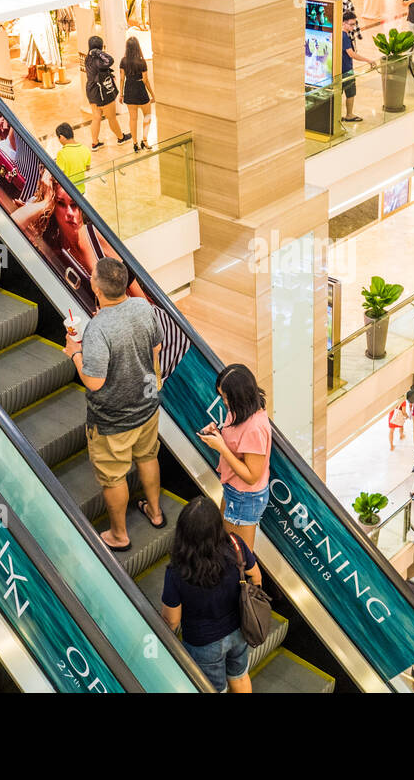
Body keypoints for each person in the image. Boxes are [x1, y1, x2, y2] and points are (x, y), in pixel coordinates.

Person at [64, 257, 164, 552]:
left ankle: (120, 535)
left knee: (114, 476)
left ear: (95, 286)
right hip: (147, 407)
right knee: (148, 457)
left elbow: (94, 382)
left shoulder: (97, 329)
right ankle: (156, 513)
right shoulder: (142, 307)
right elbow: (156, 347)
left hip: (112, 420)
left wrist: (74, 353)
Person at [160, 497, 263, 693]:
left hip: (203, 642)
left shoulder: (176, 571)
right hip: (239, 628)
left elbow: (172, 620)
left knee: (214, 689)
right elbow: (256, 576)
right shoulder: (236, 545)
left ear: (183, 532)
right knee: (240, 678)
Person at [197, 364, 271, 548]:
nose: (223, 401)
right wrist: (217, 434)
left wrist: (221, 447)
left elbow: (252, 476)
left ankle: (252, 579)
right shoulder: (237, 412)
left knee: (240, 556)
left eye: (225, 397)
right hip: (233, 489)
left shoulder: (255, 427)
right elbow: (237, 446)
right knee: (225, 541)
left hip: (245, 497)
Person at [83, 36, 131, 150]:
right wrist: (99, 52)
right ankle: (121, 138)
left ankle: (94, 143)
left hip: (91, 90)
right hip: (103, 91)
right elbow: (110, 60)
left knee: (96, 117)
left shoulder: (88, 58)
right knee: (111, 117)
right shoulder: (98, 60)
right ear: (99, 47)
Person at [119, 36, 155, 151]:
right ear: (137, 47)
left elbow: (121, 79)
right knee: (147, 116)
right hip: (140, 90)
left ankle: (135, 144)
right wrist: (152, 94)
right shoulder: (141, 62)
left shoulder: (123, 61)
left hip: (129, 89)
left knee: (133, 119)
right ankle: (144, 140)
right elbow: (145, 80)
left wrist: (121, 94)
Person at [340, 12, 376, 123]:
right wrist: (368, 60)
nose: (353, 27)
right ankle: (349, 115)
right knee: (350, 92)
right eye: (351, 24)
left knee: (339, 94)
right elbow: (351, 54)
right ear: (343, 23)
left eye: (354, 25)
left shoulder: (339, 34)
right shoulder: (344, 36)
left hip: (339, 69)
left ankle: (337, 116)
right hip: (346, 70)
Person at [52, 122, 90, 187]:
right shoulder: (85, 149)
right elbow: (87, 168)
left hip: (68, 191)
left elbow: (58, 176)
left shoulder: (61, 154)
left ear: (61, 137)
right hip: (81, 188)